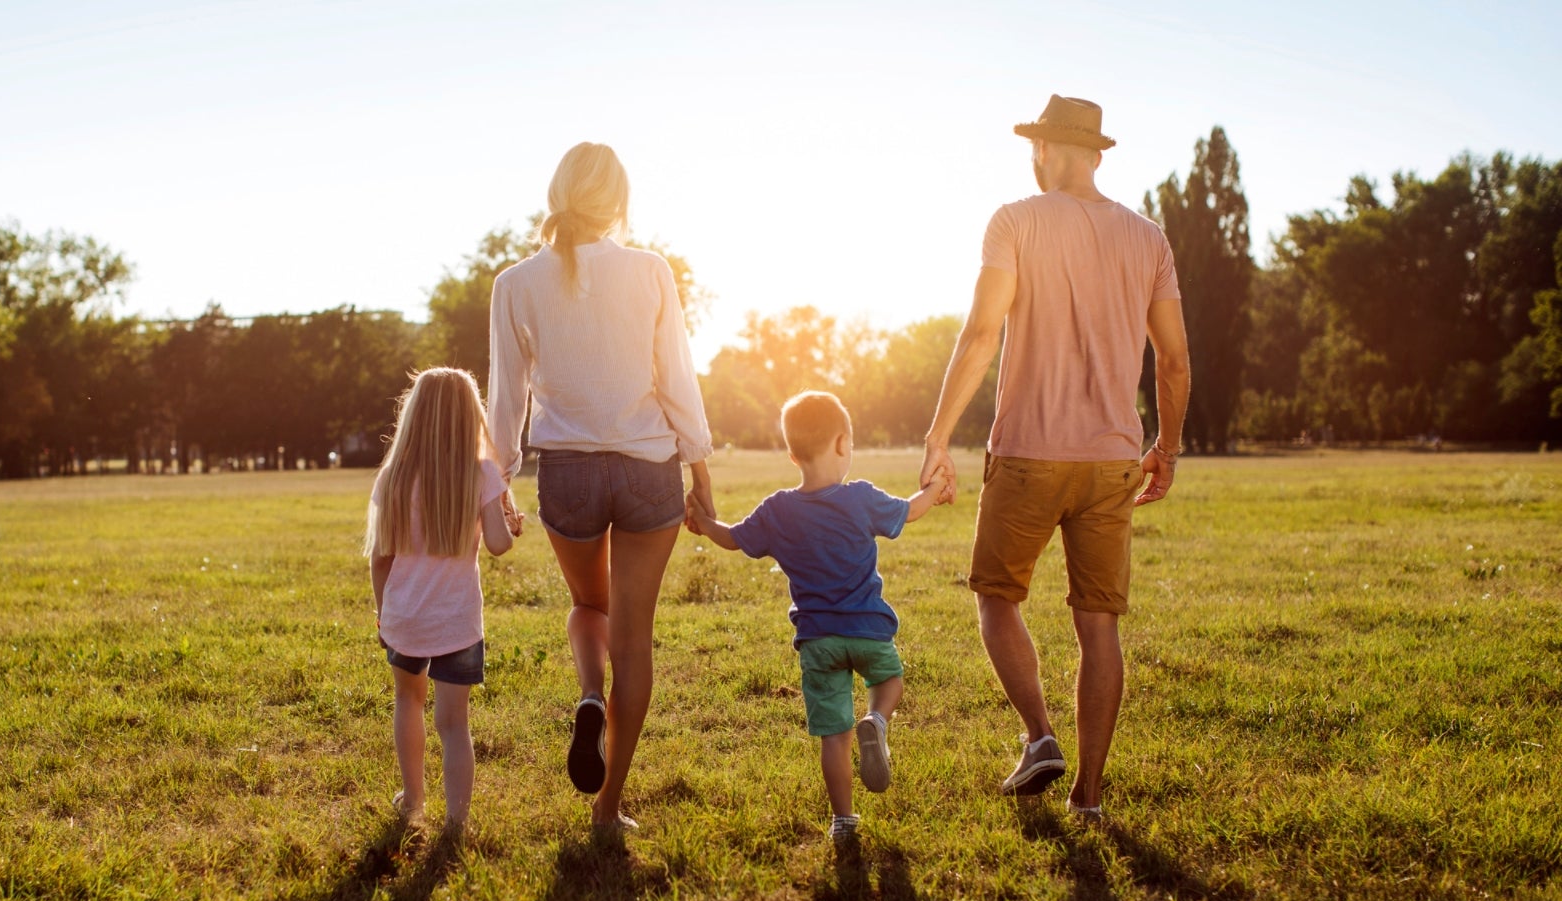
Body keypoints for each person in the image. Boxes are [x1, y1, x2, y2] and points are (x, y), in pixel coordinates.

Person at [917, 94, 1192, 821]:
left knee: (996, 597)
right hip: (1112, 461)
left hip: (1029, 452)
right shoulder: (1149, 238)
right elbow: (1174, 360)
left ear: (1043, 151)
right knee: (1098, 624)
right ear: (1095, 154)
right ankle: (1090, 798)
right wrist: (1167, 446)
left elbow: (980, 335)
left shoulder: (1015, 220)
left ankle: (1040, 735)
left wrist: (937, 435)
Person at [489, 142, 715, 833]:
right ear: (617, 200)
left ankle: (590, 696)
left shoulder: (514, 282)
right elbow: (677, 376)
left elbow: (507, 398)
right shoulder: (650, 270)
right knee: (636, 638)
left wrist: (497, 479)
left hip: (569, 473)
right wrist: (700, 468)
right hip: (649, 470)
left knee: (590, 606)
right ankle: (609, 805)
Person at [687, 391, 948, 842]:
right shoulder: (861, 498)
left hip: (817, 641)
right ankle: (879, 721)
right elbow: (912, 511)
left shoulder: (778, 510)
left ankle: (843, 820)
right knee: (888, 683)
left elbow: (733, 538)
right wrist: (935, 489)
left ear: (792, 455)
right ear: (844, 443)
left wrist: (703, 524)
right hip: (868, 630)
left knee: (835, 735)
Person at [366, 367, 525, 831]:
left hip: (405, 618)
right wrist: (509, 524)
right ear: (468, 415)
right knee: (454, 724)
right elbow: (499, 544)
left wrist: (383, 615)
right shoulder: (481, 473)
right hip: (457, 622)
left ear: (414, 414)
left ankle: (413, 803)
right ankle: (457, 823)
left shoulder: (393, 477)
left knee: (407, 701)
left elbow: (380, 559)